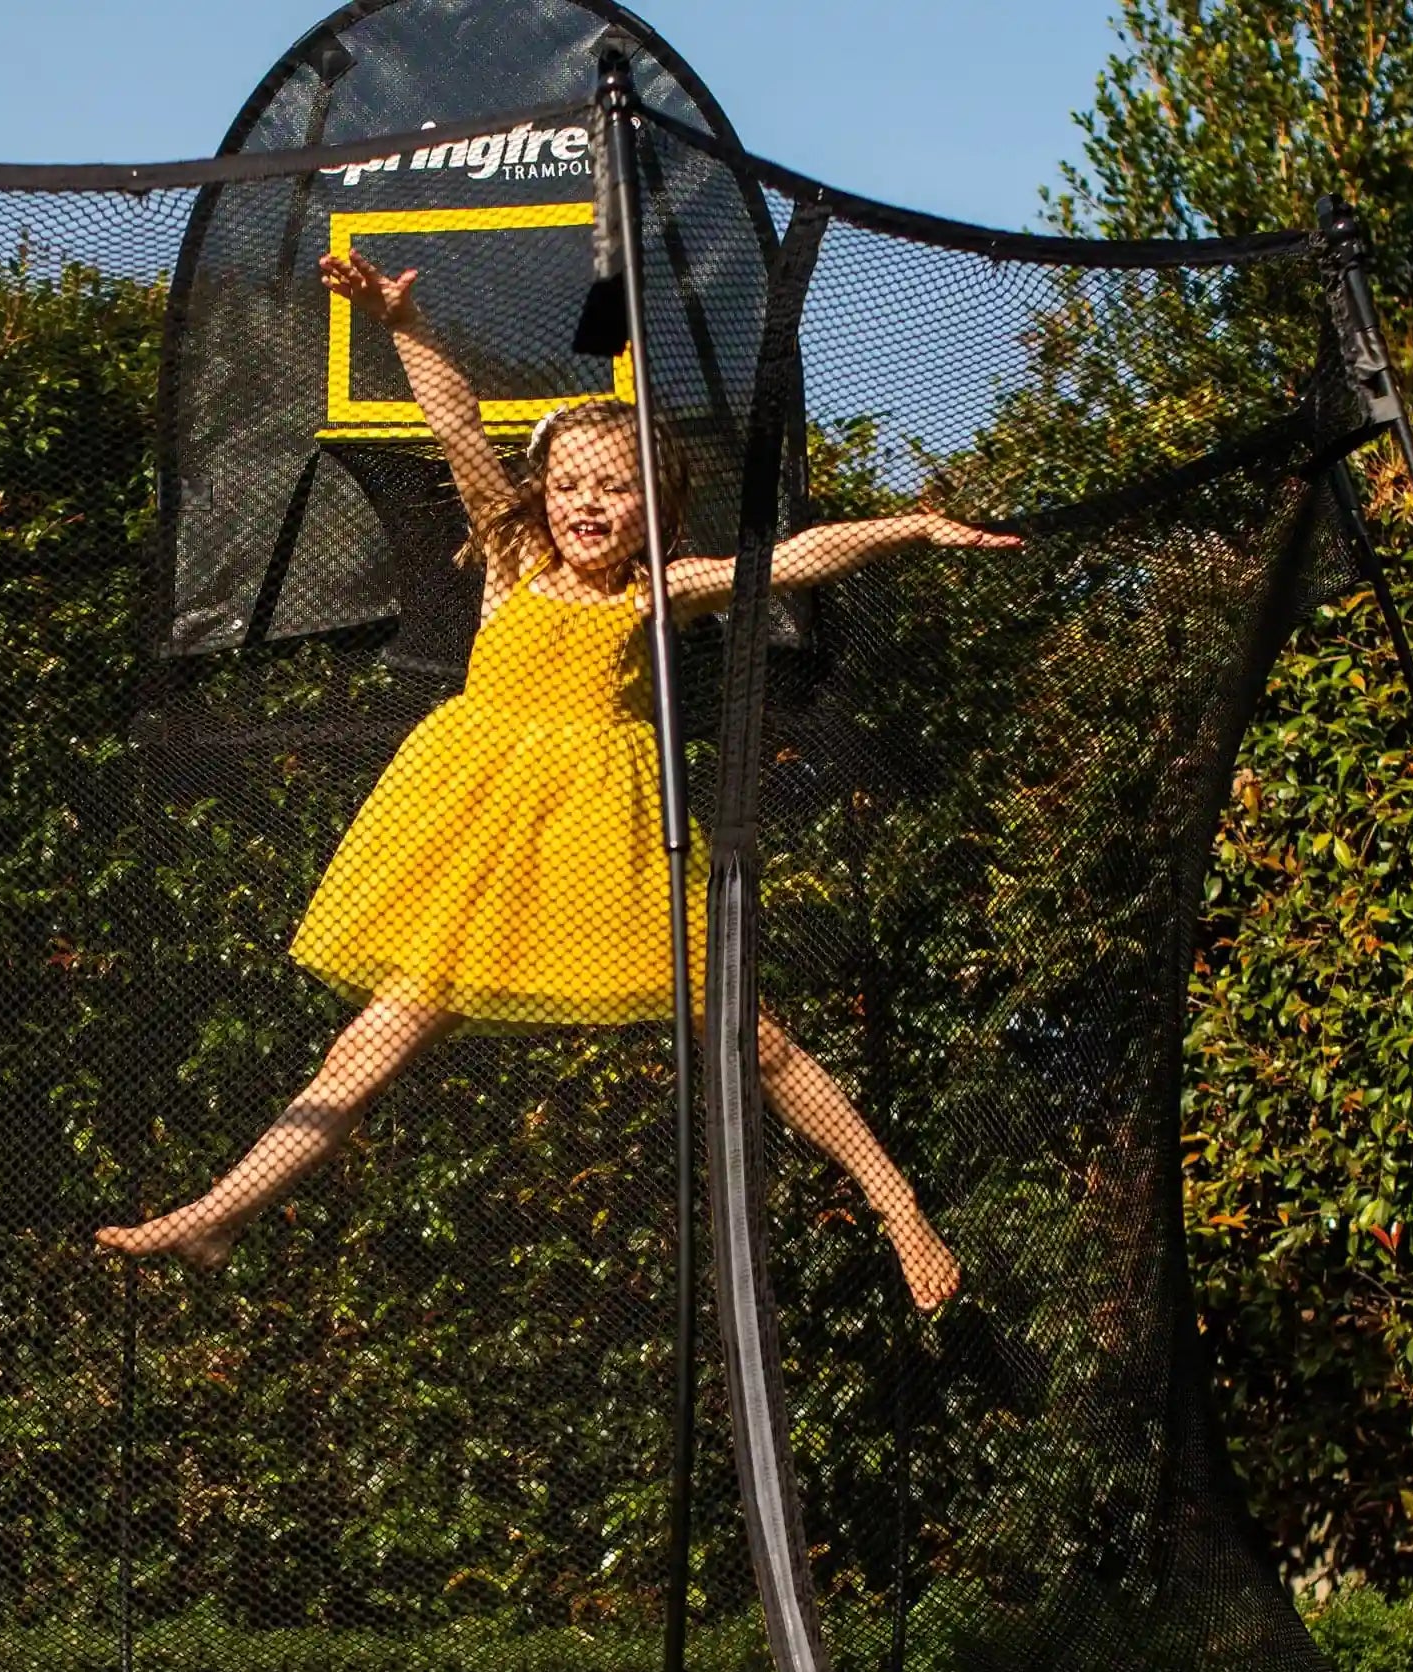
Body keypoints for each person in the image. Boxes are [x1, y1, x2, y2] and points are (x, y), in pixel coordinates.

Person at [101, 251, 1013, 1308]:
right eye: (571, 483)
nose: (587, 503)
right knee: (373, 1040)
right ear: (544, 495)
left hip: (602, 845)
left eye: (613, 486)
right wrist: (406, 324)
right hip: (478, 840)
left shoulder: (660, 593)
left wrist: (913, 526)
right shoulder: (514, 562)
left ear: (654, 504)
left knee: (750, 1033)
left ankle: (900, 1207)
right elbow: (459, 430)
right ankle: (218, 1215)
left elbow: (796, 557)